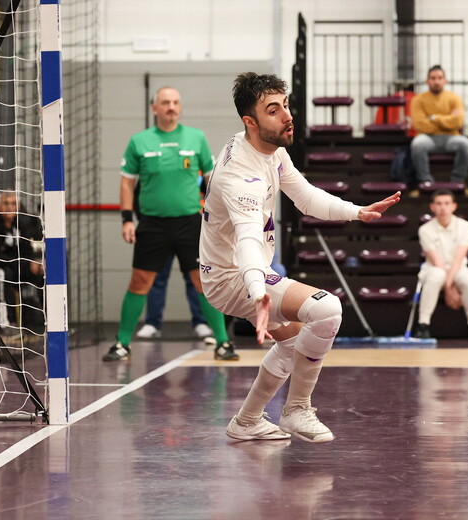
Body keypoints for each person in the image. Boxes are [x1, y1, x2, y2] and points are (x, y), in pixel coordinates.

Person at [201, 72, 399, 442]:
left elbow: (306, 197)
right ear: (250, 122)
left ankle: (246, 422)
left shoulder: (270, 150)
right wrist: (257, 289)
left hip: (242, 272)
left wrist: (357, 211)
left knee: (292, 343)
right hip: (235, 277)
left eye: (285, 105)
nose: (287, 116)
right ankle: (296, 410)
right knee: (326, 310)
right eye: (273, 110)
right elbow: (246, 238)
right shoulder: (240, 176)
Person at [103, 86, 237, 362]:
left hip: (190, 223)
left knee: (203, 281)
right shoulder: (139, 141)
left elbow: (213, 180)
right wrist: (127, 219)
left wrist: (219, 216)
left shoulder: (196, 137)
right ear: (155, 108)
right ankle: (122, 343)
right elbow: (127, 183)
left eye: (176, 102)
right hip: (152, 224)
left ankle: (223, 342)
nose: (171, 107)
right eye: (165, 103)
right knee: (140, 282)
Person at [416, 189, 468, 342]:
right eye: (439, 204)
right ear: (432, 207)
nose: (443, 208)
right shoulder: (425, 229)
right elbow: (437, 262)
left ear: (454, 206)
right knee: (436, 276)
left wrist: (450, 286)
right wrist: (449, 289)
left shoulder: (465, 226)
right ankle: (423, 324)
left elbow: (459, 259)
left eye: (447, 203)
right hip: (434, 268)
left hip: (458, 267)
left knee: (467, 278)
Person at [0, 191, 44, 329]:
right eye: (6, 203)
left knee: (42, 273)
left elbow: (26, 250)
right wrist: (24, 264)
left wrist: (34, 262)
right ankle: (5, 324)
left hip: (13, 267)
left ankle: (45, 319)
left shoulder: (20, 224)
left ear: (18, 206)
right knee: (4, 273)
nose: (10, 207)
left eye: (13, 204)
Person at [409, 65, 468, 192]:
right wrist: (447, 120)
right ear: (427, 81)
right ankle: (426, 181)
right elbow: (420, 125)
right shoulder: (418, 100)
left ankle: (457, 180)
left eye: (439, 78)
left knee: (465, 144)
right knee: (417, 144)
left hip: (451, 137)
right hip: (427, 138)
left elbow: (458, 122)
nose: (436, 81)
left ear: (445, 80)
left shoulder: (454, 98)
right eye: (433, 78)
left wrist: (434, 118)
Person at [135, 254, 214, 342]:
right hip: (161, 240)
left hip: (188, 240)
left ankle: (201, 322)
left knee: (196, 278)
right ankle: (152, 323)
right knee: (156, 277)